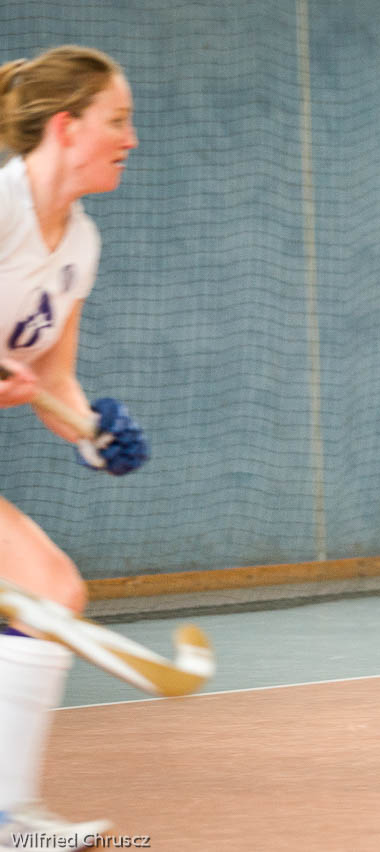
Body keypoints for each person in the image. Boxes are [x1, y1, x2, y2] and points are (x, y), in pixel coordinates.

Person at [0, 45, 149, 847]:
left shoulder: (79, 242)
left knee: (49, 593)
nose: (131, 137)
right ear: (66, 127)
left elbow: (52, 379)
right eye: (116, 120)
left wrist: (96, 436)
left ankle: (10, 817)